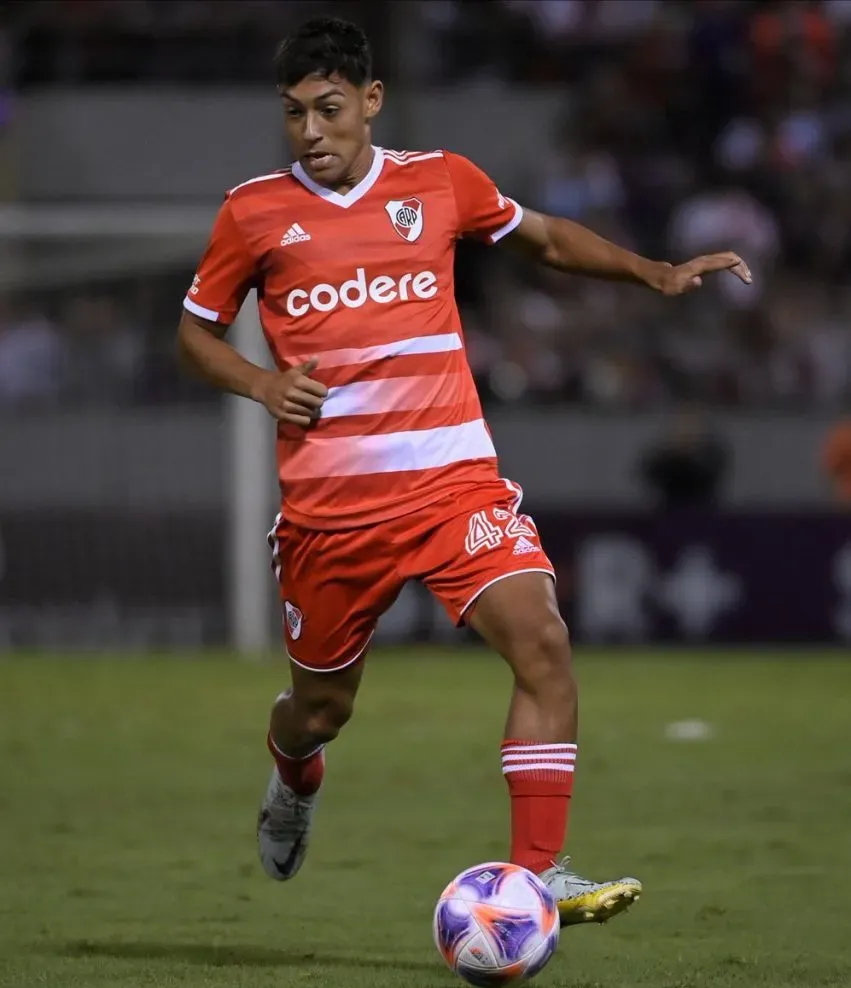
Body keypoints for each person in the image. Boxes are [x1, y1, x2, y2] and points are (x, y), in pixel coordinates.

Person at [178, 17, 751, 929]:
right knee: (319, 711)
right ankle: (294, 775)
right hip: (333, 513)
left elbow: (545, 238)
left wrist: (652, 273)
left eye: (328, 109)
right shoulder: (253, 212)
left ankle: (537, 877)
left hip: (453, 485)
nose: (310, 132)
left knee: (542, 643)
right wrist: (262, 384)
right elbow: (193, 335)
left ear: (371, 101)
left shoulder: (439, 181)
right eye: (293, 114)